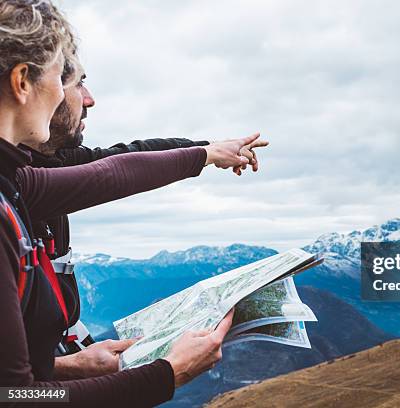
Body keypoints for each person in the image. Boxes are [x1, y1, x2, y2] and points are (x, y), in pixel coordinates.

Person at [0, 1, 264, 405]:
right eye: (60, 78)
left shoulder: (13, 181)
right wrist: (168, 375)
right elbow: (18, 399)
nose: (70, 98)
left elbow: (110, 172)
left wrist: (208, 152)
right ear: (22, 81)